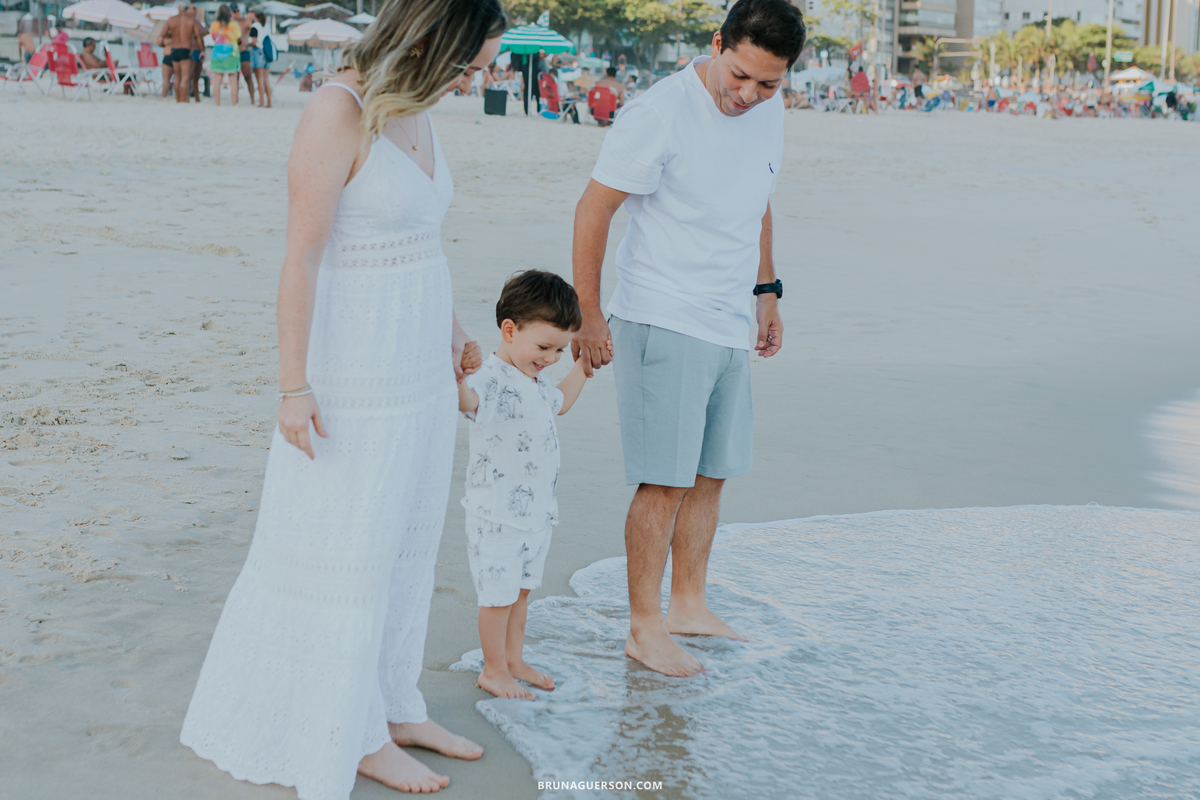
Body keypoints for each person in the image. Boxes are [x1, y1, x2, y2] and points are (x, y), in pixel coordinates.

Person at [179, 0, 507, 796]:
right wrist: (294, 388)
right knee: (352, 550)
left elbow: (418, 241)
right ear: (429, 44)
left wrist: (455, 338)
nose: (480, 80)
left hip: (419, 376)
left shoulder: (419, 113)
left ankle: (395, 704)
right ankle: (354, 733)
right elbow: (301, 258)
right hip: (354, 379)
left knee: (406, 547)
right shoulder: (339, 110)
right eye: (472, 65)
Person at [570, 0, 803, 678]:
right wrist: (590, 313)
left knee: (710, 474)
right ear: (715, 43)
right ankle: (644, 627)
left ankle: (689, 605)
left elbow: (757, 199)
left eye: (768, 84)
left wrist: (766, 292)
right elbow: (595, 208)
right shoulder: (659, 113)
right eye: (739, 76)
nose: (748, 95)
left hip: (728, 316)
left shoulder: (769, 110)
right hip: (661, 315)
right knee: (663, 483)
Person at [458, 271, 605, 700]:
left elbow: (561, 401)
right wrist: (458, 379)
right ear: (509, 330)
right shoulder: (490, 378)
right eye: (544, 347)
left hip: (536, 515)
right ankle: (493, 669)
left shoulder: (536, 382)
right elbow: (469, 403)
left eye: (560, 349)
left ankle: (514, 660)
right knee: (498, 597)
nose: (551, 357)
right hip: (497, 516)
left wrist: (582, 365)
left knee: (522, 593)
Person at [160, 1, 205, 103]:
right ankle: (184, 101)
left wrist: (171, 36)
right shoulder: (191, 20)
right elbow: (199, 36)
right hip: (186, 49)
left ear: (179, 7)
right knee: (185, 78)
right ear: (187, 7)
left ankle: (178, 100)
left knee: (177, 77)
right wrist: (202, 50)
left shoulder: (171, 20)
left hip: (174, 49)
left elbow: (162, 35)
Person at [209, 5, 242, 106]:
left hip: (218, 53)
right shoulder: (234, 25)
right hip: (232, 53)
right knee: (233, 81)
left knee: (217, 80)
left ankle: (217, 103)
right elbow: (239, 39)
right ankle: (233, 104)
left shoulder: (214, 25)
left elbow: (213, 38)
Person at [231, 3, 255, 105]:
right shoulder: (231, 22)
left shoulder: (245, 21)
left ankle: (252, 99)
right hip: (234, 52)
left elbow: (252, 27)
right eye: (235, 11)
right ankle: (235, 99)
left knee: (248, 76)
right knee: (234, 78)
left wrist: (250, 18)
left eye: (238, 11)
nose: (237, 13)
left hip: (244, 51)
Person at [248, 10, 272, 108]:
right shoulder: (266, 26)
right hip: (267, 54)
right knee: (266, 79)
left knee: (260, 79)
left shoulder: (255, 27)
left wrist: (247, 44)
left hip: (258, 53)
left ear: (255, 15)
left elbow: (254, 42)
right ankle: (269, 102)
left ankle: (262, 102)